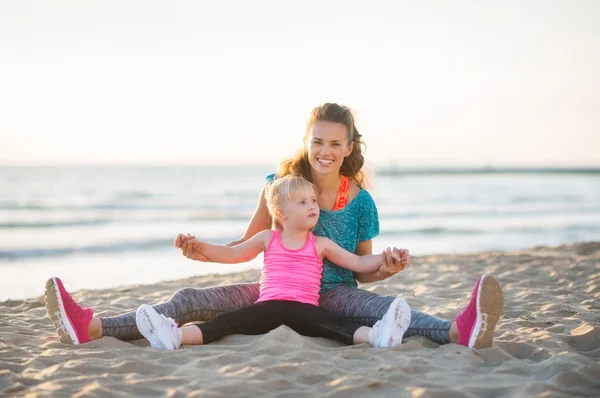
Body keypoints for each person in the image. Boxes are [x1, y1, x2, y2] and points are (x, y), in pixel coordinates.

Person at [44, 102, 504, 349]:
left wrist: (387, 266)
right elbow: (248, 244)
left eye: (335, 143)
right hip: (272, 287)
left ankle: (455, 331)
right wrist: (201, 250)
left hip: (332, 290)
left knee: (381, 308)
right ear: (308, 142)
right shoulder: (279, 187)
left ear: (347, 148)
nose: (325, 150)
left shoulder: (361, 201)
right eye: (317, 140)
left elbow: (363, 269)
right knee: (191, 300)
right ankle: (94, 327)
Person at [135, 175, 412, 349]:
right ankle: (174, 336)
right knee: (226, 322)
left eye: (313, 200)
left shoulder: (320, 244)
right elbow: (232, 254)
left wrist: (388, 259)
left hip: (304, 310)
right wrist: (200, 247)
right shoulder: (268, 238)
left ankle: (378, 336)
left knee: (334, 324)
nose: (313, 206)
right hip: (267, 308)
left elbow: (358, 263)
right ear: (280, 213)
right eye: (302, 202)